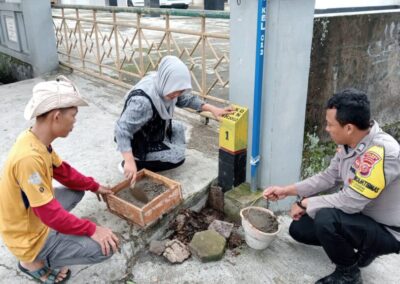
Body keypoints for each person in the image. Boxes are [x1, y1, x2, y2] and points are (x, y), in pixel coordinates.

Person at [263, 89, 400, 284]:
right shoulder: (349, 144)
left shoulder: (382, 153)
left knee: (326, 219)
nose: (327, 129)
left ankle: (348, 274)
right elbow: (329, 177)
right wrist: (286, 190)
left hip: (386, 230)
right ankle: (363, 251)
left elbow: (350, 202)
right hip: (362, 217)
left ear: (349, 128)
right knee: (299, 229)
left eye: (330, 124)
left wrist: (305, 204)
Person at [0, 76, 119, 283]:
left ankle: (54, 239)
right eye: (73, 115)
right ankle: (31, 261)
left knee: (76, 190)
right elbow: (50, 215)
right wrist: (92, 229)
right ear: (56, 116)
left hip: (29, 214)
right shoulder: (28, 158)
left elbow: (63, 171)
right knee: (106, 248)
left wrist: (94, 186)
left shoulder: (36, 140)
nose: (75, 121)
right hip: (26, 235)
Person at [115, 55, 233, 183]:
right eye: (175, 90)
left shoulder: (162, 82)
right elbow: (122, 129)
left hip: (152, 130)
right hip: (139, 140)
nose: (177, 94)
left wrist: (213, 109)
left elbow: (185, 99)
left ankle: (157, 149)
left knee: (179, 128)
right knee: (178, 157)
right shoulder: (142, 102)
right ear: (167, 80)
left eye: (180, 90)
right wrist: (128, 160)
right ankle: (136, 163)